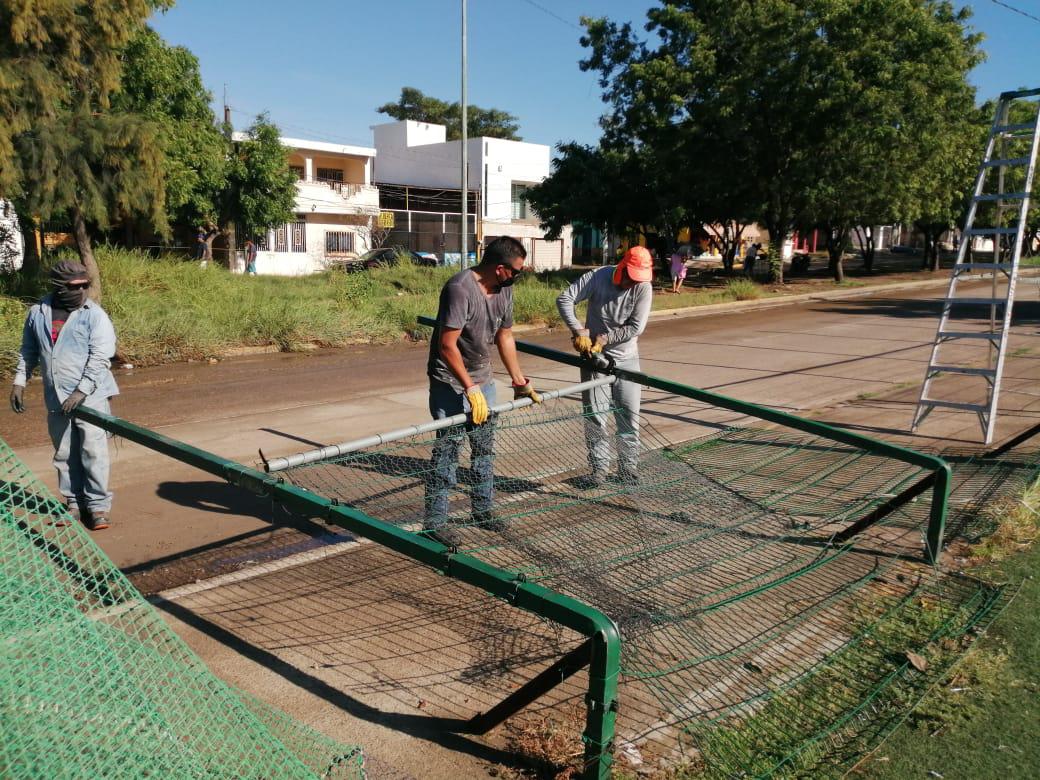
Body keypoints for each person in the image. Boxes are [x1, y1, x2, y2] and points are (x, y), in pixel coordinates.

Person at [424, 236, 543, 545]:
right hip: (450, 381)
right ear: (500, 268)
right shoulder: (460, 289)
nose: (519, 275)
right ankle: (435, 521)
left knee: (484, 450)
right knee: (447, 452)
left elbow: (505, 335)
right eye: (517, 271)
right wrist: (469, 389)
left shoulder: (505, 290)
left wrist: (519, 380)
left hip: (482, 379)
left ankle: (483, 509)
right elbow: (446, 346)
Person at [9, 261, 119, 530]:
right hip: (56, 395)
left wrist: (82, 390)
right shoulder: (38, 313)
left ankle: (97, 507)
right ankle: (73, 501)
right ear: (58, 286)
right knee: (64, 451)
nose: (81, 291)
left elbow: (101, 357)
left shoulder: (94, 315)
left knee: (93, 451)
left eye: (85, 285)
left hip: (91, 395)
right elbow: (29, 350)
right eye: (74, 286)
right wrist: (19, 381)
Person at [557, 245, 654, 487]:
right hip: (593, 360)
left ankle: (627, 469)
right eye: (630, 277)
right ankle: (598, 470)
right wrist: (578, 330)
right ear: (622, 266)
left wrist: (605, 339)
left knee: (628, 416)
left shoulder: (643, 287)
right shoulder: (598, 276)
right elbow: (565, 298)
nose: (632, 284)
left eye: (637, 280)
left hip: (626, 358)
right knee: (595, 418)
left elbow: (636, 327)